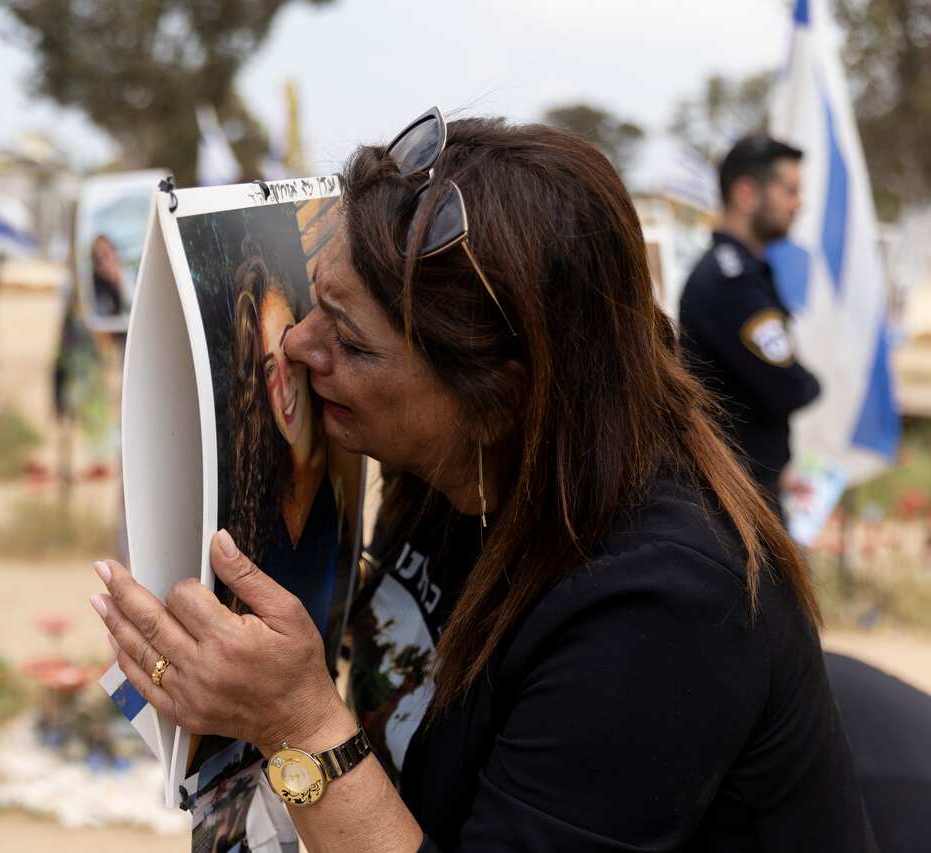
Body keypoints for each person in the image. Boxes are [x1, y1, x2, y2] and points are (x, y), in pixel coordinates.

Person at [90, 111, 876, 851]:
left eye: (354, 344)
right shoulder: (454, 475)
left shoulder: (662, 605)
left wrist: (297, 721)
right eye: (316, 301)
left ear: (498, 399)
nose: (297, 342)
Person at [678, 136, 821, 517]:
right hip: (733, 502)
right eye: (789, 191)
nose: (798, 205)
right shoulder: (729, 281)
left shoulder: (746, 271)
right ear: (746, 193)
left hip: (748, 486)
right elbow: (789, 385)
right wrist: (810, 382)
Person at [227, 241, 338, 635]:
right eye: (269, 368)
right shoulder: (254, 495)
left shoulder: (346, 464)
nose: (284, 387)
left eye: (289, 349)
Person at [91, 234, 125, 316]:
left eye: (105, 255)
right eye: (98, 260)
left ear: (115, 254)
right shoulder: (96, 289)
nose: (103, 264)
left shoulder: (129, 280)